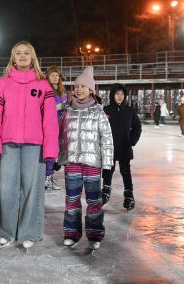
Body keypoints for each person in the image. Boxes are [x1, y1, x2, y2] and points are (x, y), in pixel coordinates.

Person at [0, 41, 59, 249]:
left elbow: (50, 120)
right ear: (13, 58)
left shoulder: (43, 85)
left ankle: (30, 232)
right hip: (8, 143)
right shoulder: (3, 83)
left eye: (27, 53)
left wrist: (50, 148)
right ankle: (5, 232)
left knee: (31, 188)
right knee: (6, 188)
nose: (23, 56)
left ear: (33, 57)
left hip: (34, 145)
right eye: (18, 53)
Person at [58, 66, 113, 250]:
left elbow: (107, 138)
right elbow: (61, 135)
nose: (79, 89)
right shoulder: (67, 110)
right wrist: (59, 157)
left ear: (91, 89)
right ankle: (71, 233)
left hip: (92, 163)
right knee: (71, 199)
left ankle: (95, 233)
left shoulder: (99, 112)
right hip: (72, 161)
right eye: (76, 86)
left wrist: (107, 163)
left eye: (83, 86)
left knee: (93, 200)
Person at [101, 84, 142, 211]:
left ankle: (129, 194)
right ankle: (106, 190)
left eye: (122, 94)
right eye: (117, 94)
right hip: (110, 147)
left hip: (124, 146)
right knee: (108, 169)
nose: (120, 96)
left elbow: (137, 126)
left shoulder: (129, 111)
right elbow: (100, 127)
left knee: (125, 171)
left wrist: (132, 141)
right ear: (112, 95)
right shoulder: (106, 110)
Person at [45, 65, 67, 191]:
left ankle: (49, 177)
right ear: (48, 77)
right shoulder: (46, 90)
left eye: (57, 75)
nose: (55, 77)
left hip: (60, 125)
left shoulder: (61, 91)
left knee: (56, 154)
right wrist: (58, 107)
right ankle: (47, 178)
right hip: (49, 125)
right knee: (50, 153)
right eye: (52, 75)